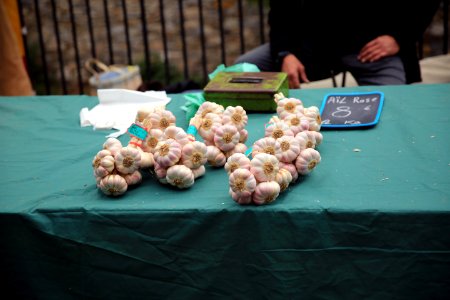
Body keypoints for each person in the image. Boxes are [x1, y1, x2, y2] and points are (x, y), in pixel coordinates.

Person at [235, 1, 441, 88]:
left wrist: (399, 37)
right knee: (240, 73)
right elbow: (281, 11)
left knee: (394, 109)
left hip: (372, 51)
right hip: (310, 49)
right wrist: (285, 54)